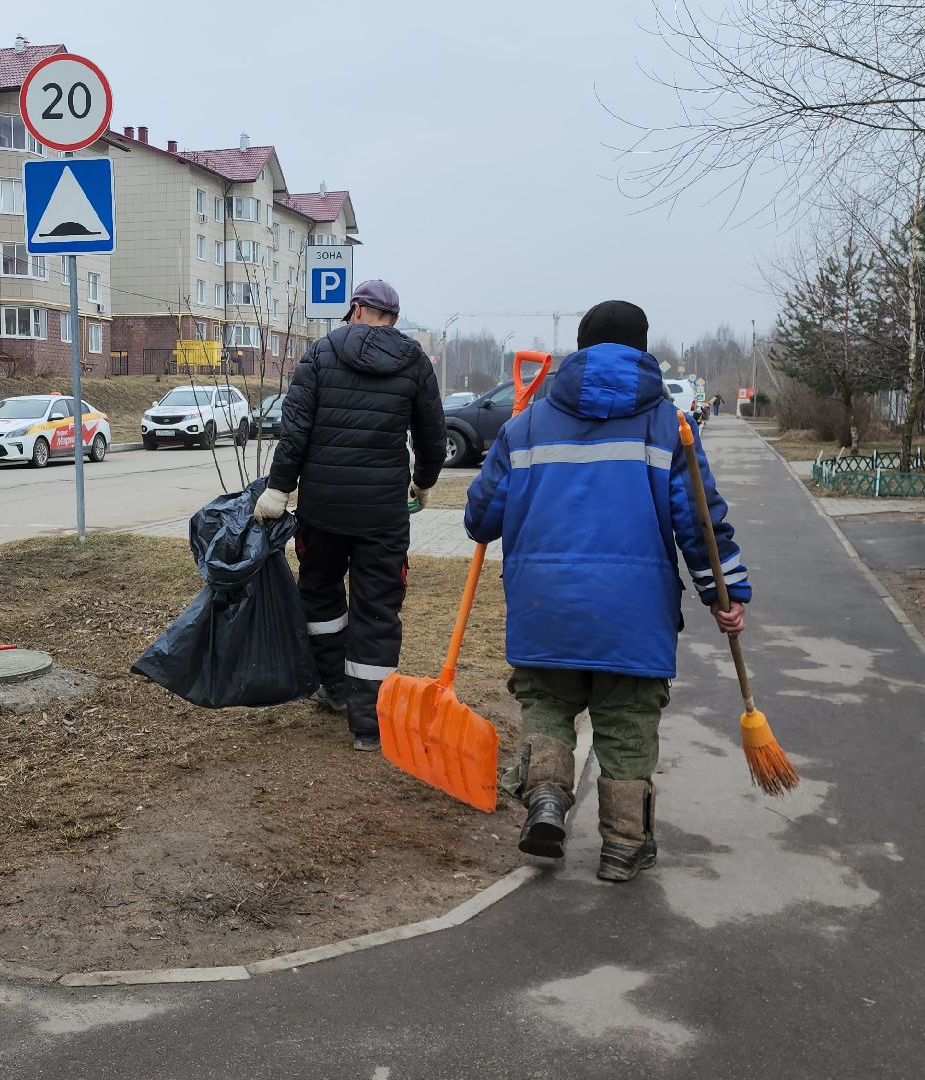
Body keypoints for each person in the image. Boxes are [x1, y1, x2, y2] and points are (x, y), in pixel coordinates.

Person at [464, 300, 750, 882]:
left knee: (548, 705)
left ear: (580, 347)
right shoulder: (670, 428)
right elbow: (699, 521)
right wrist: (725, 594)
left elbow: (480, 520)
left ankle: (545, 798)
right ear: (643, 352)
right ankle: (623, 845)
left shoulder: (526, 425)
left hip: (544, 608)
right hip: (633, 614)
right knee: (627, 724)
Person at [254, 280, 448, 751]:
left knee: (319, 597)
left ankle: (337, 689)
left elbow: (294, 429)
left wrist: (279, 488)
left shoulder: (320, 353)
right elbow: (432, 435)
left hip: (322, 510)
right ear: (394, 319)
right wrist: (422, 482)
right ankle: (369, 725)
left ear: (356, 310)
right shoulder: (415, 362)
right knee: (377, 610)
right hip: (382, 514)